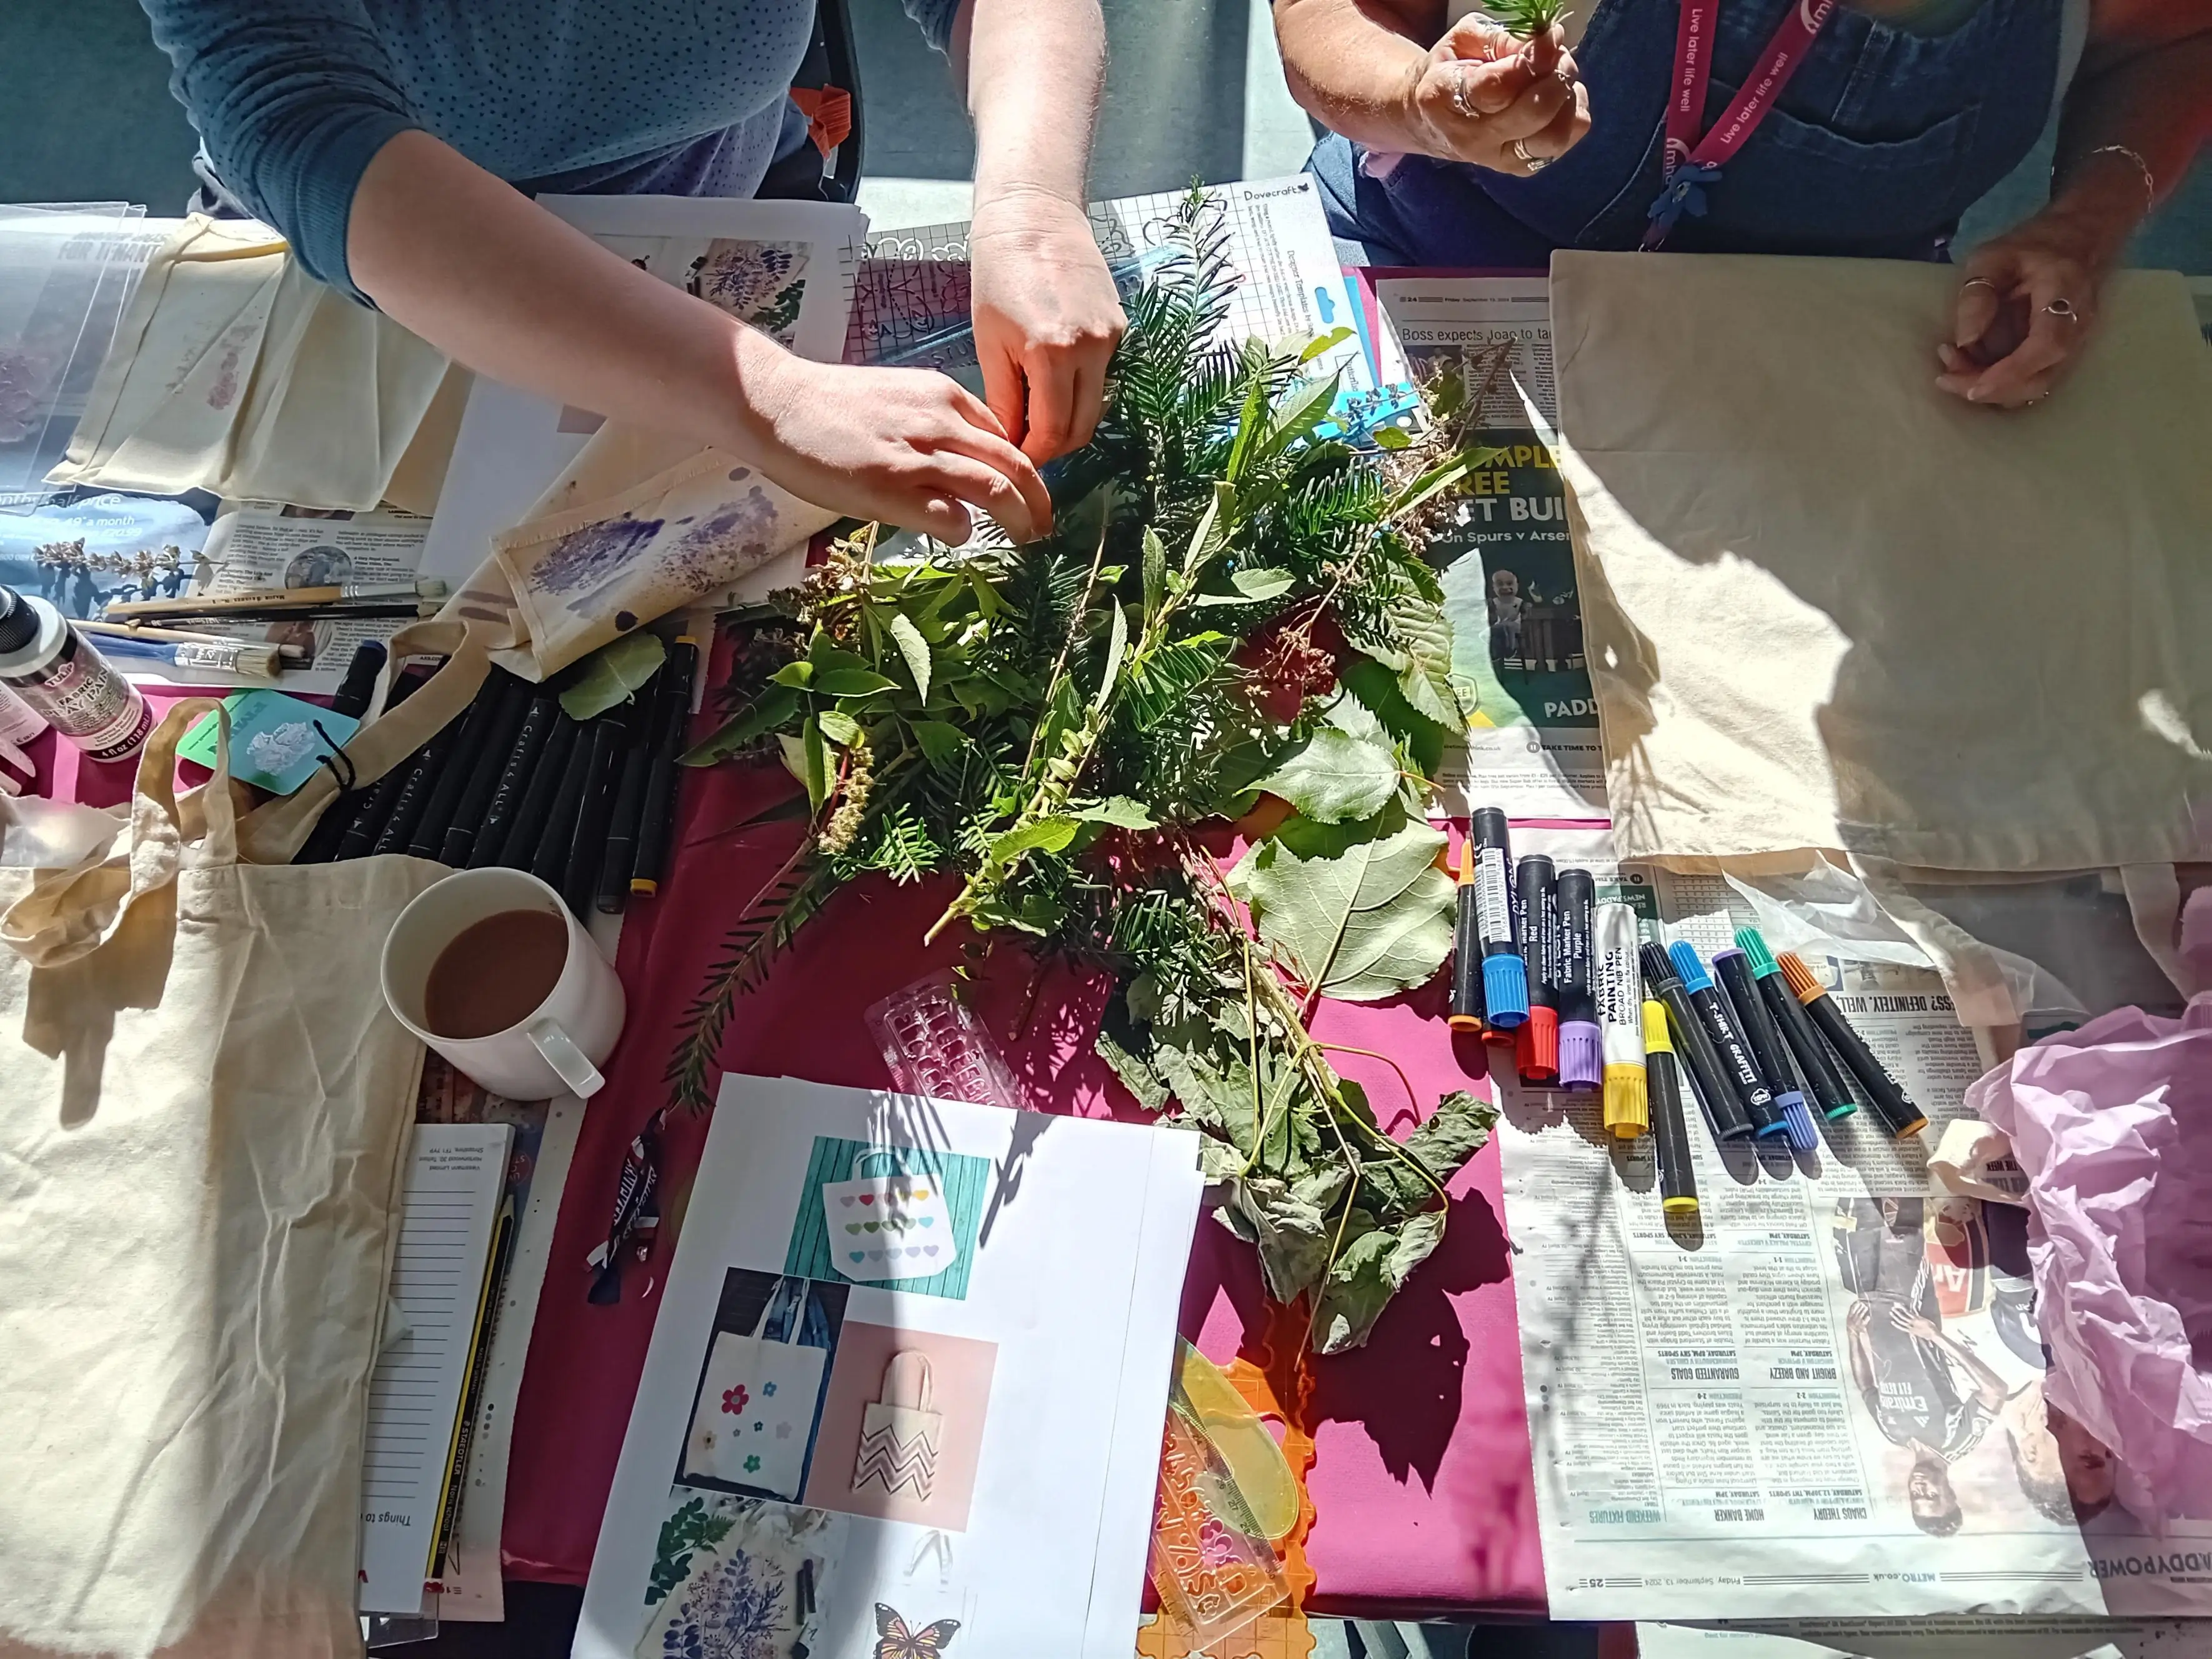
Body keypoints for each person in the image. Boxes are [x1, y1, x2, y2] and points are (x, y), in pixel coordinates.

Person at [140, 0, 1127, 544]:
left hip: (731, 211)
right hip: (385, 285)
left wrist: (1031, 208)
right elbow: (305, 125)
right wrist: (768, 398)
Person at [1274, 0, 2212, 408]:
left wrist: (2086, 222)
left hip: (1830, 404)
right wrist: (1419, 106)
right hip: (1429, 301)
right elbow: (1328, 15)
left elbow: (2173, 42)